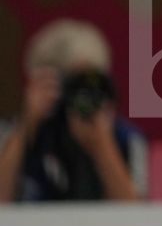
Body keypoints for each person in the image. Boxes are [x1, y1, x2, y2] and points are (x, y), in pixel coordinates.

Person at [0, 19, 146, 202]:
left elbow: (138, 218)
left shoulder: (127, 138)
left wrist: (102, 146)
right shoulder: (13, 135)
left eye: (86, 82)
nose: (77, 93)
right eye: (67, 83)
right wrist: (24, 131)